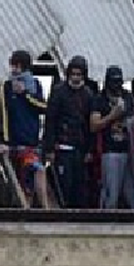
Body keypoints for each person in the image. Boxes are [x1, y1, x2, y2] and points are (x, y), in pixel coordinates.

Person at [0, 49, 52, 209]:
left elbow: (43, 106)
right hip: (14, 142)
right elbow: (4, 115)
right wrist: (4, 141)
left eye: (17, 66)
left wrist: (25, 94)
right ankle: (25, 209)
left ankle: (45, 208)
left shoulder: (35, 85)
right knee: (22, 179)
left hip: (31, 141)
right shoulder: (6, 86)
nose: (14, 70)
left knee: (37, 171)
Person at [43, 56, 98, 208]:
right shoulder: (59, 92)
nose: (75, 78)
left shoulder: (88, 95)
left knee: (79, 185)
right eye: (73, 74)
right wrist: (49, 148)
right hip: (62, 146)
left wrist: (89, 150)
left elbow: (90, 126)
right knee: (63, 184)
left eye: (79, 74)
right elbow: (50, 120)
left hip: (79, 148)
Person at [91, 67, 134, 210]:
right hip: (110, 151)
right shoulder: (100, 99)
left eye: (119, 81)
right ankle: (105, 221)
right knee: (110, 193)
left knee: (133, 193)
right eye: (113, 82)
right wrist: (113, 115)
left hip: (130, 151)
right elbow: (93, 125)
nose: (116, 85)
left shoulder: (128, 97)